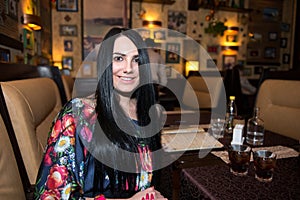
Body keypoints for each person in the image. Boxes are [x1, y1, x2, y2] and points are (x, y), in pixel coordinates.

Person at [34, 27, 167, 200]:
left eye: (136, 60)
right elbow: (50, 196)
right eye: (119, 58)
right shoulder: (77, 115)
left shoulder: (147, 114)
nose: (129, 68)